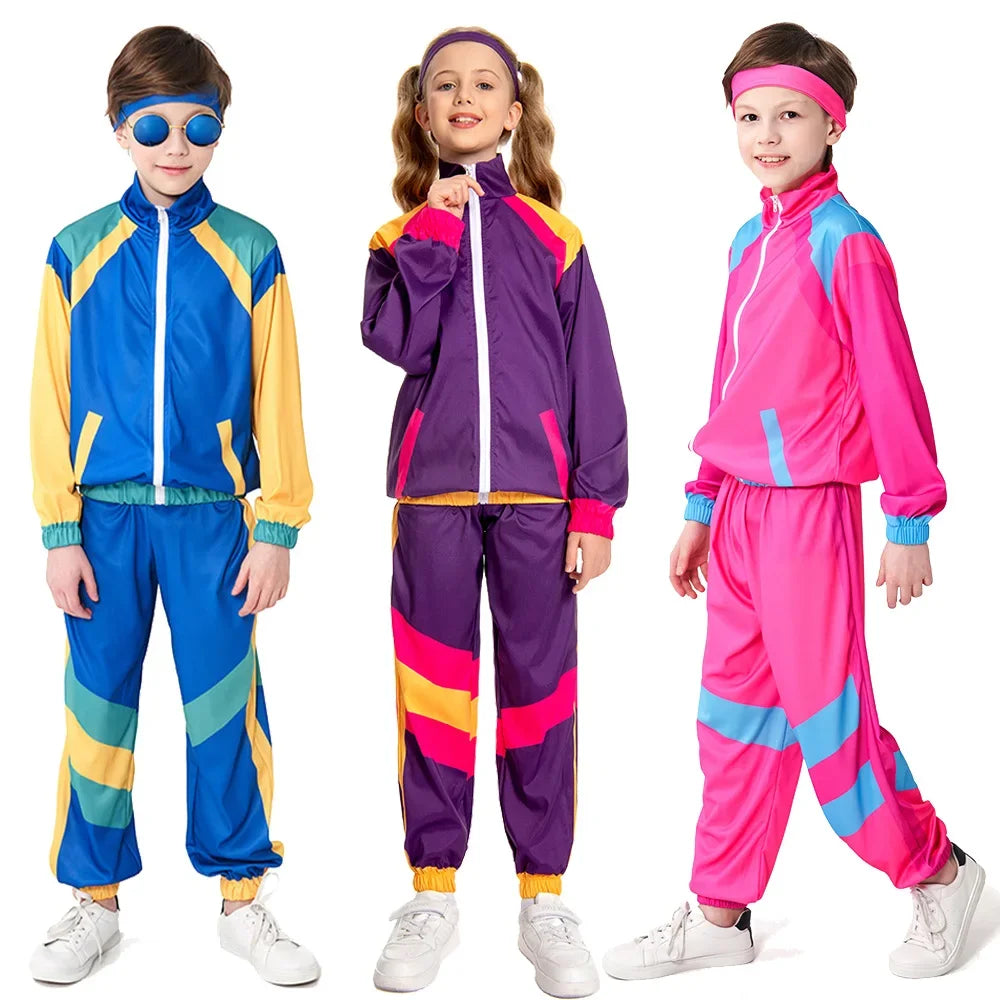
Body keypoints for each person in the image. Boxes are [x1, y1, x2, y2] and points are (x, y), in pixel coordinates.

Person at [603, 21, 984, 983]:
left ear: (832, 125)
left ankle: (939, 873)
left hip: (812, 515)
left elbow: (893, 384)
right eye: (749, 117)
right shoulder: (748, 241)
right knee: (731, 718)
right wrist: (701, 503)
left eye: (789, 116)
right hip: (738, 514)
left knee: (829, 723)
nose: (766, 135)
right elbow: (731, 380)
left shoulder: (847, 244)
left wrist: (908, 517)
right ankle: (720, 911)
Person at [28, 25, 318, 986]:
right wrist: (59, 528)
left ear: (220, 127)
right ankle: (93, 901)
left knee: (224, 710)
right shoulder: (77, 249)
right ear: (120, 128)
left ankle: (243, 898)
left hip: (214, 521)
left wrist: (276, 525)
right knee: (96, 708)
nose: (176, 146)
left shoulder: (250, 250)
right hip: (103, 521)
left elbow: (279, 396)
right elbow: (48, 397)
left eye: (200, 126)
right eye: (153, 126)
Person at [361, 26, 627, 998]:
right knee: (432, 696)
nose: (464, 97)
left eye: (484, 85)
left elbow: (592, 375)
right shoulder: (396, 240)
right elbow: (395, 340)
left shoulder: (556, 237)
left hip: (538, 501)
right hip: (431, 497)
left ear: (514, 112)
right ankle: (431, 892)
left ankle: (543, 897)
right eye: (445, 86)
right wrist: (432, 227)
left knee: (539, 693)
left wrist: (594, 506)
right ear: (422, 112)